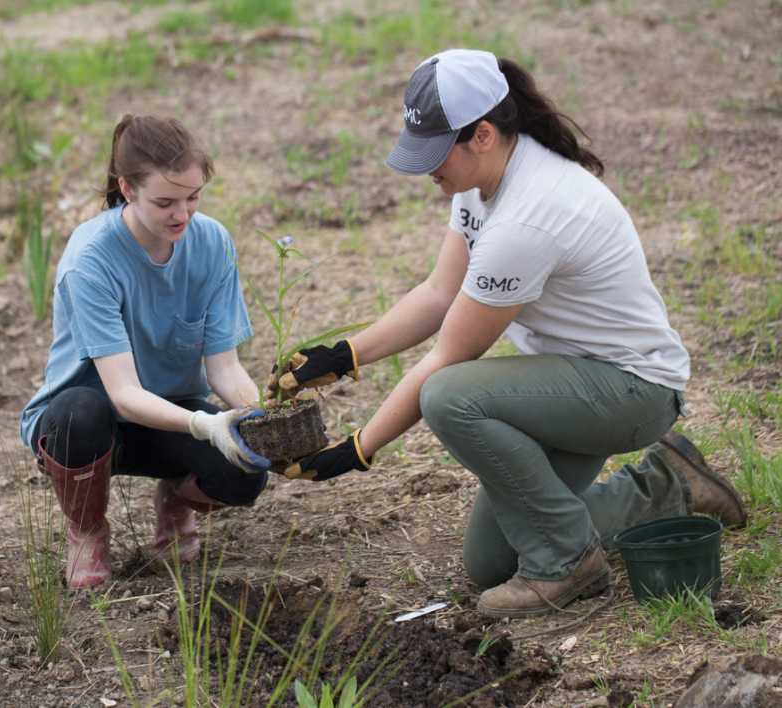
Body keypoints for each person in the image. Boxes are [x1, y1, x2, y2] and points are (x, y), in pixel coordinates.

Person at [267, 50, 748, 618]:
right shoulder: (480, 180)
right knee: (491, 561)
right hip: (570, 385)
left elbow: (447, 358)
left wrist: (357, 449)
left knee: (449, 396)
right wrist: (345, 354)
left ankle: (569, 566)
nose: (426, 170)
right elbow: (439, 294)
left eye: (434, 153)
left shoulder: (527, 217)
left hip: (630, 390)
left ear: (484, 135)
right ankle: (670, 485)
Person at [20, 114, 271, 589]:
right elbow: (123, 393)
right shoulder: (91, 258)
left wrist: (254, 416)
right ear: (127, 189)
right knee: (77, 413)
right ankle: (87, 530)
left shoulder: (213, 243)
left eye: (193, 197)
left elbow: (225, 368)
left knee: (245, 474)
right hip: (93, 425)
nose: (183, 214)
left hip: (168, 416)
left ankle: (176, 498)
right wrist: (205, 424)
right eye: (165, 202)